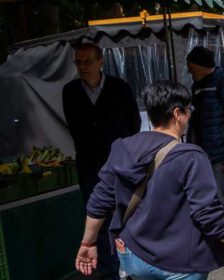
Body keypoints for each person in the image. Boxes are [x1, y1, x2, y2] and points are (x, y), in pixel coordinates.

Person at [75, 81, 224, 279]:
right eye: (188, 109)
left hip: (134, 256)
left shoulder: (122, 147)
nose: (190, 114)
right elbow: (206, 212)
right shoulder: (191, 156)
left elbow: (99, 201)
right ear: (178, 114)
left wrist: (87, 243)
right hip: (181, 262)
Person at [63, 42, 141, 279]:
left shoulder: (119, 88)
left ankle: (129, 264)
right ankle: (108, 269)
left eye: (87, 61)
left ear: (100, 62)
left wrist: (124, 155)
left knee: (125, 214)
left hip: (120, 164)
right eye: (78, 62)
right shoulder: (71, 91)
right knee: (97, 214)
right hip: (90, 165)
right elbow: (75, 127)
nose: (83, 67)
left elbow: (133, 123)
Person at [186, 46, 224, 230]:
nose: (188, 70)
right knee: (209, 198)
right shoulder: (198, 85)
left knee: (222, 200)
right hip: (203, 152)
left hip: (220, 155)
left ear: (198, 65)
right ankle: (221, 237)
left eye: (190, 66)